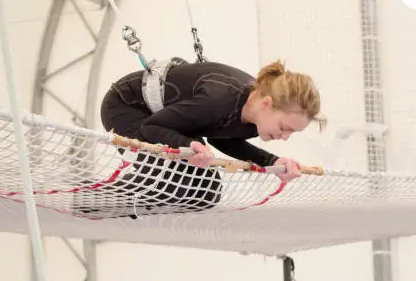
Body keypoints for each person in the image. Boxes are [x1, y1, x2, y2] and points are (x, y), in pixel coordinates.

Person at [86, 57, 325, 219]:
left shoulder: (255, 117)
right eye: (285, 127)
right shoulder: (218, 100)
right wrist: (187, 145)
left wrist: (273, 161)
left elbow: (224, 138)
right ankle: (89, 200)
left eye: (291, 133)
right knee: (170, 182)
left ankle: (134, 205)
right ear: (267, 103)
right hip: (129, 108)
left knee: (207, 192)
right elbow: (152, 127)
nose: (284, 137)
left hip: (171, 117)